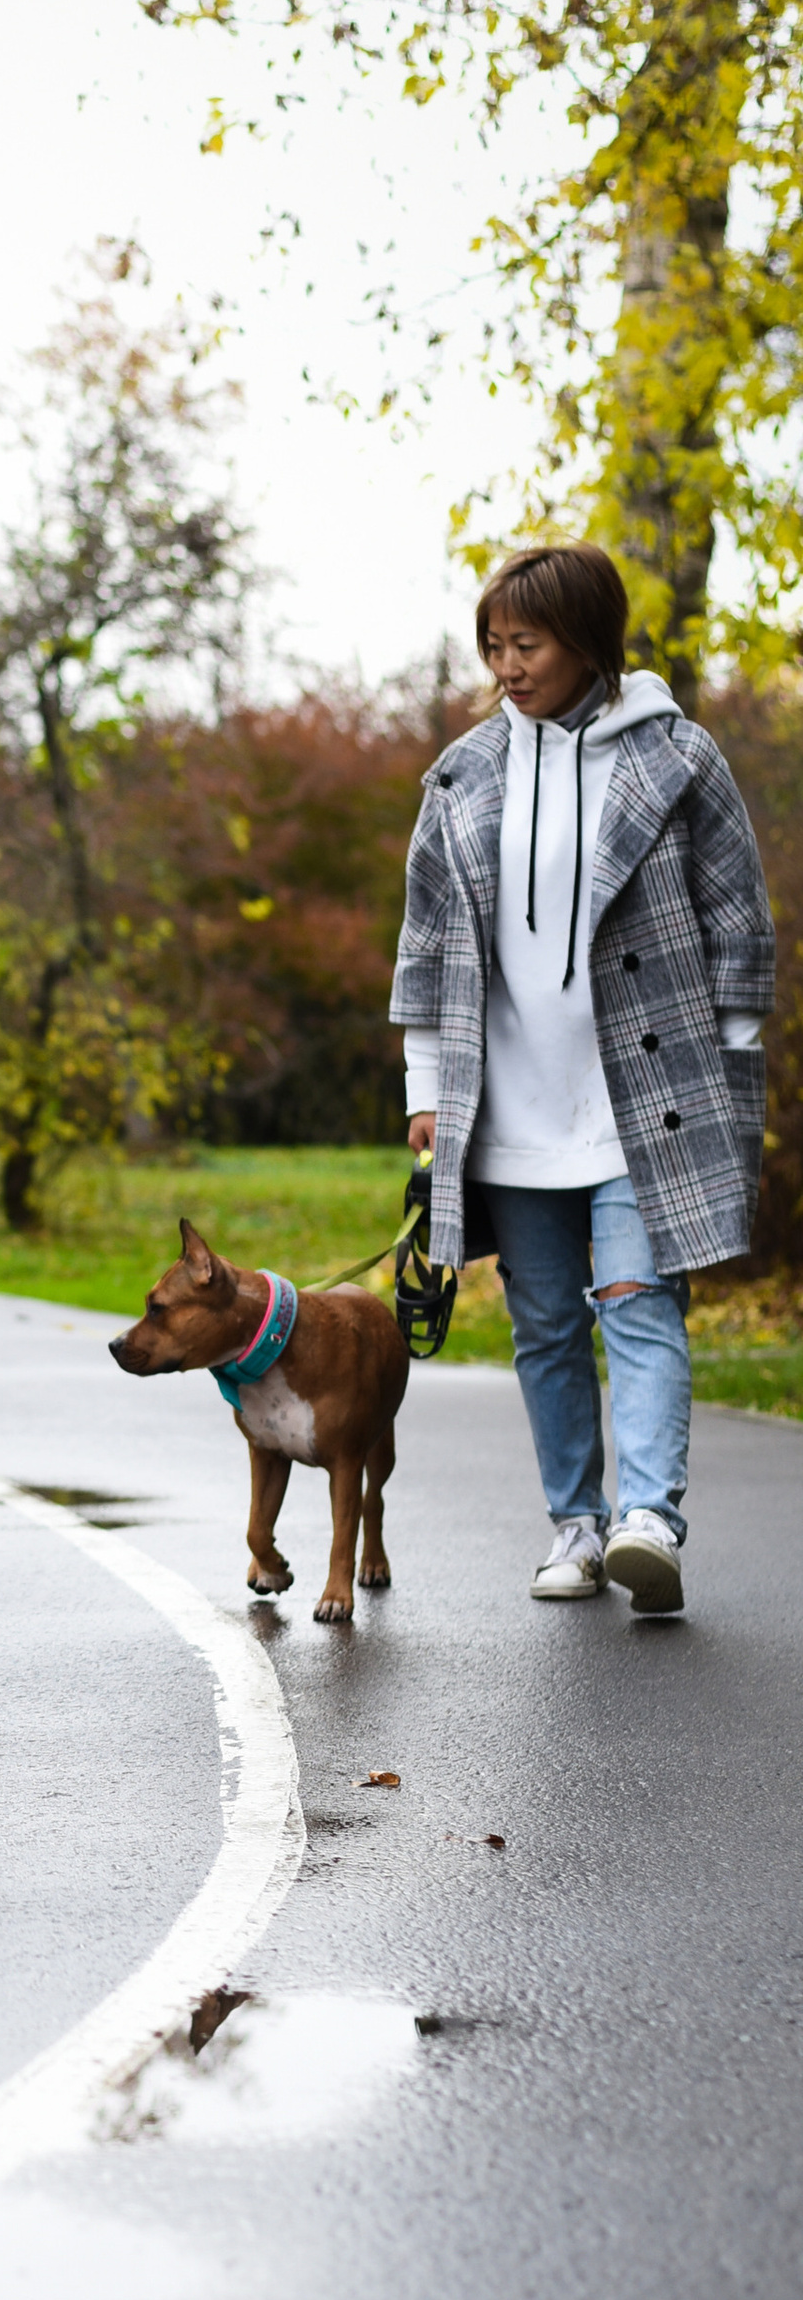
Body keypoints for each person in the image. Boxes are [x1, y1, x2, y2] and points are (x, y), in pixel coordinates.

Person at [391, 539, 774, 1616]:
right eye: (493, 646)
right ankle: (576, 1524)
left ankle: (648, 1519)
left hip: (643, 1099)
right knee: (546, 1325)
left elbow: (736, 908)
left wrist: (733, 1054)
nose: (506, 665)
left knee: (638, 1304)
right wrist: (425, 1086)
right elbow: (425, 947)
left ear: (587, 640)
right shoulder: (462, 775)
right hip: (506, 1102)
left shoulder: (676, 758)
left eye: (528, 643)